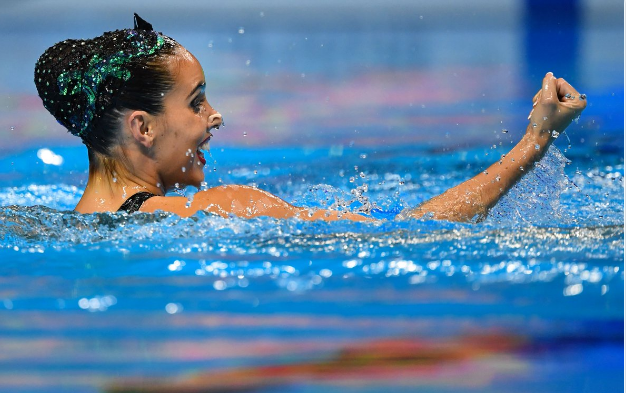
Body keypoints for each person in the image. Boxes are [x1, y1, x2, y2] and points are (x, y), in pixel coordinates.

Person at [34, 14, 586, 223]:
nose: (214, 117)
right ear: (143, 127)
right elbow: (416, 231)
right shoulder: (222, 207)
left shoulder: (51, 225)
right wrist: (532, 144)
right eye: (197, 101)